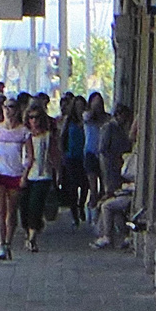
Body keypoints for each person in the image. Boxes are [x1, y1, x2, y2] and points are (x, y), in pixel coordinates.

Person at [0, 98, 33, 260]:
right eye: (5, 107)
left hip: (15, 174)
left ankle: (8, 242)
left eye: (11, 107)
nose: (8, 110)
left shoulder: (23, 132)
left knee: (11, 211)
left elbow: (29, 156)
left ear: (17, 110)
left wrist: (25, 176)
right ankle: (0, 246)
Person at [19, 103, 58, 253]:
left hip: (42, 175)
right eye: (31, 117)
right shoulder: (24, 135)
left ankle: (32, 238)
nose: (34, 120)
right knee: (24, 207)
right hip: (25, 175)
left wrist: (57, 172)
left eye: (36, 117)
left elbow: (54, 154)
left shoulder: (47, 136)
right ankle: (28, 232)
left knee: (35, 206)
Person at [92, 142, 138, 250]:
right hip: (126, 193)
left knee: (107, 206)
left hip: (130, 195)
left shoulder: (133, 162)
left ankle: (107, 236)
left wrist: (125, 187)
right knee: (114, 210)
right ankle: (123, 236)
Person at [58, 94, 87, 227]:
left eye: (82, 106)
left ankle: (81, 205)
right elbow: (63, 138)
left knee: (85, 185)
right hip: (71, 157)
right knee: (73, 186)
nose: (80, 109)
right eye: (77, 106)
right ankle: (74, 213)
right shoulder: (69, 121)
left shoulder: (87, 120)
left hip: (84, 156)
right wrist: (63, 155)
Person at [82, 92, 110, 223]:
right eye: (95, 102)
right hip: (91, 154)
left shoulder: (107, 119)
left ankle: (101, 214)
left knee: (105, 187)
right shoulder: (88, 117)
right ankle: (92, 211)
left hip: (104, 155)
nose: (98, 106)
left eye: (100, 103)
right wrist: (93, 109)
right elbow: (87, 116)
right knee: (93, 188)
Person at [98, 103, 134, 198]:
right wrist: (113, 159)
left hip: (121, 164)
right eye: (123, 116)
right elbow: (103, 148)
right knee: (111, 191)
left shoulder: (122, 129)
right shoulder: (109, 127)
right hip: (110, 165)